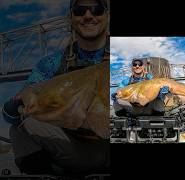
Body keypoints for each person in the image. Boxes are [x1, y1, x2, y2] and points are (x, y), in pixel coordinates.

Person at [2, 0, 110, 176]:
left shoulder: (131, 57)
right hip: (79, 150)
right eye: (80, 11)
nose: (88, 16)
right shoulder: (51, 64)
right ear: (70, 18)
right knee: (21, 128)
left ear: (107, 16)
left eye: (97, 10)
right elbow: (13, 111)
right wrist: (14, 106)